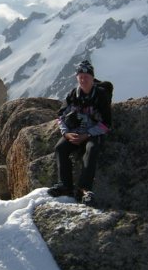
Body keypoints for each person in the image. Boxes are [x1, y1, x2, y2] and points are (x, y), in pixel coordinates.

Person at [48, 60, 112, 205]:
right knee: (60, 148)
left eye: (86, 77)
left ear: (92, 78)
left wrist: (87, 135)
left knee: (91, 149)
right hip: (75, 132)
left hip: (93, 133)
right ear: (77, 78)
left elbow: (107, 124)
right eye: (80, 76)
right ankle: (65, 185)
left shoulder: (101, 95)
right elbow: (61, 116)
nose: (83, 80)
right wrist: (66, 134)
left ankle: (84, 190)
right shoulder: (73, 95)